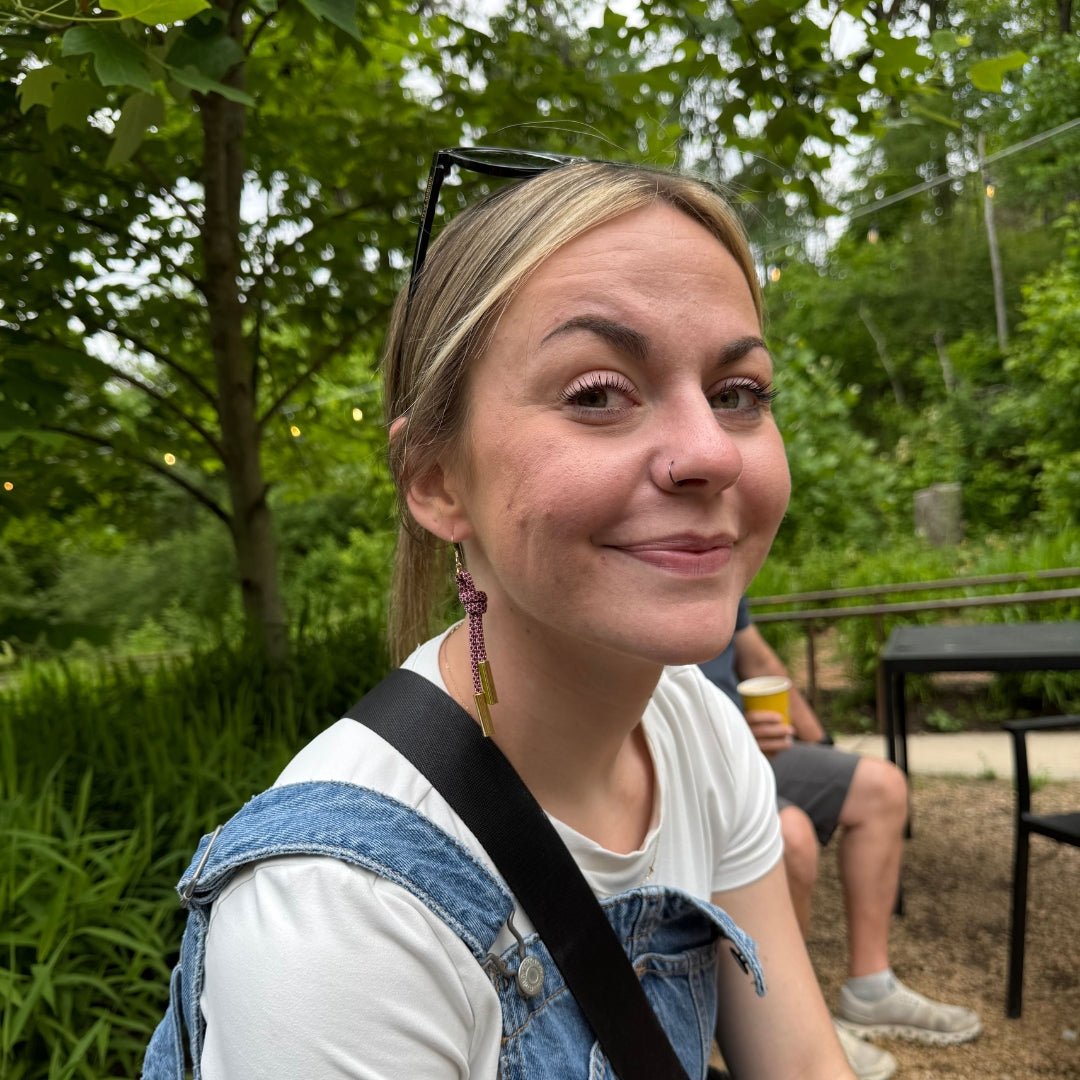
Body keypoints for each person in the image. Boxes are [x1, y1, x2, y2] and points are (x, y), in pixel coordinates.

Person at [149, 153, 856, 1078]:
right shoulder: (340, 917)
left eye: (739, 393)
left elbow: (801, 1064)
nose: (708, 452)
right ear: (438, 481)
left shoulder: (698, 731)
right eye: (598, 393)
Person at [700, 598, 982, 1080]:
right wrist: (733, 735)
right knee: (793, 836)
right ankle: (785, 1020)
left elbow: (761, 661)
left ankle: (870, 988)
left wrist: (820, 745)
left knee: (882, 787)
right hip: (703, 758)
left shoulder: (719, 561)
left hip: (757, 746)